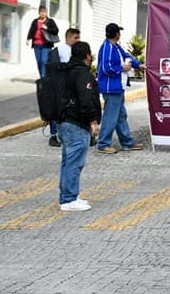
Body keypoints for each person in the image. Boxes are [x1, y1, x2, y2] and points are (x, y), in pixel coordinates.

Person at [57, 41, 101, 211]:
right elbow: (86, 100)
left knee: (68, 162)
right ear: (87, 56)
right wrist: (93, 121)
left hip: (64, 122)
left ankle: (67, 196)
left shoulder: (65, 72)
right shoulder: (83, 74)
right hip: (77, 124)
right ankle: (69, 199)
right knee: (75, 163)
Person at [96, 23, 146, 154]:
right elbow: (106, 69)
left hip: (118, 87)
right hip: (111, 88)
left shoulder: (116, 47)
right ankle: (103, 144)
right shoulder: (108, 48)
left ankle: (127, 142)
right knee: (111, 116)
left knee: (120, 116)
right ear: (117, 34)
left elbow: (127, 56)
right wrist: (122, 68)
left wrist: (138, 65)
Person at [47, 28, 81, 148]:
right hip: (60, 86)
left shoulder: (78, 50)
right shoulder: (58, 50)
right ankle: (54, 135)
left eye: (78, 38)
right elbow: (53, 68)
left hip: (73, 86)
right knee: (57, 110)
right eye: (75, 38)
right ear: (68, 37)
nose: (77, 40)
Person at [26, 5, 59, 78]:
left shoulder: (50, 21)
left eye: (44, 12)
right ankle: (42, 77)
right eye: (41, 12)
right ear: (39, 13)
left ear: (46, 13)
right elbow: (31, 30)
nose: (43, 13)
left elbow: (56, 31)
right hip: (36, 44)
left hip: (46, 45)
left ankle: (44, 77)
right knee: (39, 62)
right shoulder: (35, 21)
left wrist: (47, 28)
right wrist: (28, 38)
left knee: (44, 61)